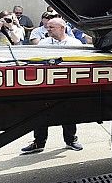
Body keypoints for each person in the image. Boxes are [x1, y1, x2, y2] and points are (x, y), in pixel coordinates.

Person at [21, 18, 84, 154]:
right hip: (46, 85)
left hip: (67, 85)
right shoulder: (43, 43)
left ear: (62, 28)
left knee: (68, 113)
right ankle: (39, 142)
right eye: (47, 27)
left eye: (51, 27)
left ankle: (71, 140)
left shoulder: (75, 43)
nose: (48, 29)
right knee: (40, 114)